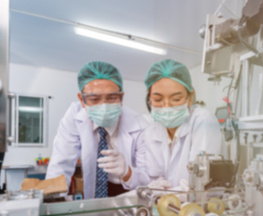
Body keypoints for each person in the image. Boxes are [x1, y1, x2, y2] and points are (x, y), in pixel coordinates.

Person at [46, 61, 147, 199]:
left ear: (122, 97)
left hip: (128, 190)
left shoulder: (139, 125)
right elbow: (61, 163)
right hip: (95, 191)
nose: (104, 106)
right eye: (94, 99)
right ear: (82, 100)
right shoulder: (74, 116)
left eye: (112, 98)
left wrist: (127, 173)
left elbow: (148, 179)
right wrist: (52, 200)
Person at [131, 59, 222, 189]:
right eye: (158, 99)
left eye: (176, 99)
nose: (166, 106)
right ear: (149, 99)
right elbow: (154, 176)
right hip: (166, 205)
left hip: (202, 205)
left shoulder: (203, 121)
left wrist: (167, 194)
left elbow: (201, 181)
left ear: (190, 98)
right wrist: (156, 185)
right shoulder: (151, 132)